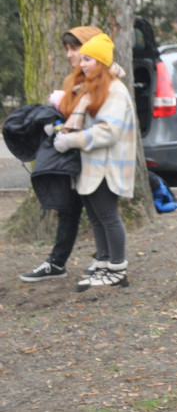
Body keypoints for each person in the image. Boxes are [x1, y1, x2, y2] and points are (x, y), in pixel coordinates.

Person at [51, 33, 137, 291]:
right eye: (83, 58)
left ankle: (117, 268)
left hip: (106, 167)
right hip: (91, 166)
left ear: (100, 61)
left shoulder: (114, 91)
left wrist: (71, 141)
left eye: (88, 59)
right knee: (97, 218)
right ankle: (103, 263)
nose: (82, 63)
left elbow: (108, 132)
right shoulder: (95, 88)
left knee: (108, 217)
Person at [19, 26, 101, 282]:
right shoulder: (74, 80)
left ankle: (107, 258)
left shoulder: (102, 80)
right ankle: (57, 262)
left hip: (93, 156)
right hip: (72, 156)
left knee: (100, 210)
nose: (69, 54)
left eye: (74, 48)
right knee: (69, 208)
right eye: (67, 49)